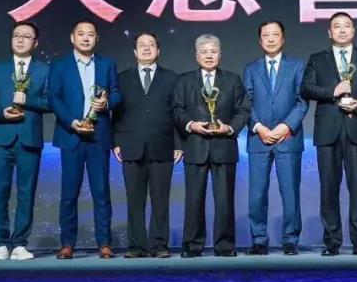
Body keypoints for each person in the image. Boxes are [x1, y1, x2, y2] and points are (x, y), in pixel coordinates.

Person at [301, 12, 357, 256]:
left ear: (353, 30)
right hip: (327, 130)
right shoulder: (317, 59)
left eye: (346, 26)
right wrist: (333, 91)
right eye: (336, 26)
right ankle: (332, 242)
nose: (341, 30)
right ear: (329, 32)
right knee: (328, 188)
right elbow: (306, 88)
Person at [47, 19, 122, 259]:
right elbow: (54, 97)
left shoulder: (107, 64)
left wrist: (107, 103)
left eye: (91, 34)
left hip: (99, 135)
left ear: (97, 39)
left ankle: (105, 243)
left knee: (102, 192)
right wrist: (71, 122)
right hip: (71, 135)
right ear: (73, 38)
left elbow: (117, 93)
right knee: (69, 192)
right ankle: (67, 243)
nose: (86, 38)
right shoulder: (59, 65)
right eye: (81, 34)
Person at [172, 34, 251, 258]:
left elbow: (243, 109)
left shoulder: (233, 80)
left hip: (224, 146)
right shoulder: (184, 80)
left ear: (220, 54)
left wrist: (229, 128)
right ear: (196, 55)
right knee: (194, 199)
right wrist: (191, 125)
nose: (209, 56)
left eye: (213, 51)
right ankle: (192, 245)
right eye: (204, 52)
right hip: (195, 146)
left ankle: (225, 245)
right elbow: (176, 109)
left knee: (224, 200)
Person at [0, 20, 50, 261]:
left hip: (30, 138)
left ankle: (20, 243)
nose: (20, 40)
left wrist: (27, 100)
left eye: (26, 36)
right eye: (16, 35)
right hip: (2, 137)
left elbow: (50, 102)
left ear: (35, 43)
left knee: (26, 193)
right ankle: (1, 243)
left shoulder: (44, 70)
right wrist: (1, 113)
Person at [112, 32, 183, 258]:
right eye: (141, 45)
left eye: (151, 45)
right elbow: (117, 114)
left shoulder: (172, 78)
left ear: (158, 50)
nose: (146, 48)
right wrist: (116, 142)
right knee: (134, 200)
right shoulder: (122, 78)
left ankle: (159, 245)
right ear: (134, 52)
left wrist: (179, 144)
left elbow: (178, 113)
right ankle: (136, 246)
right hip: (131, 146)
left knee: (161, 200)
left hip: (163, 145)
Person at [242, 20, 308, 255]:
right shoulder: (251, 69)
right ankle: (259, 240)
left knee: (290, 192)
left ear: (283, 38)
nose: (270, 39)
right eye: (266, 35)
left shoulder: (296, 66)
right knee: (256, 194)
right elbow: (245, 103)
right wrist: (259, 127)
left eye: (275, 34)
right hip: (258, 139)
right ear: (260, 41)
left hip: (288, 138)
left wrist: (285, 126)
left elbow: (302, 101)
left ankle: (290, 239)